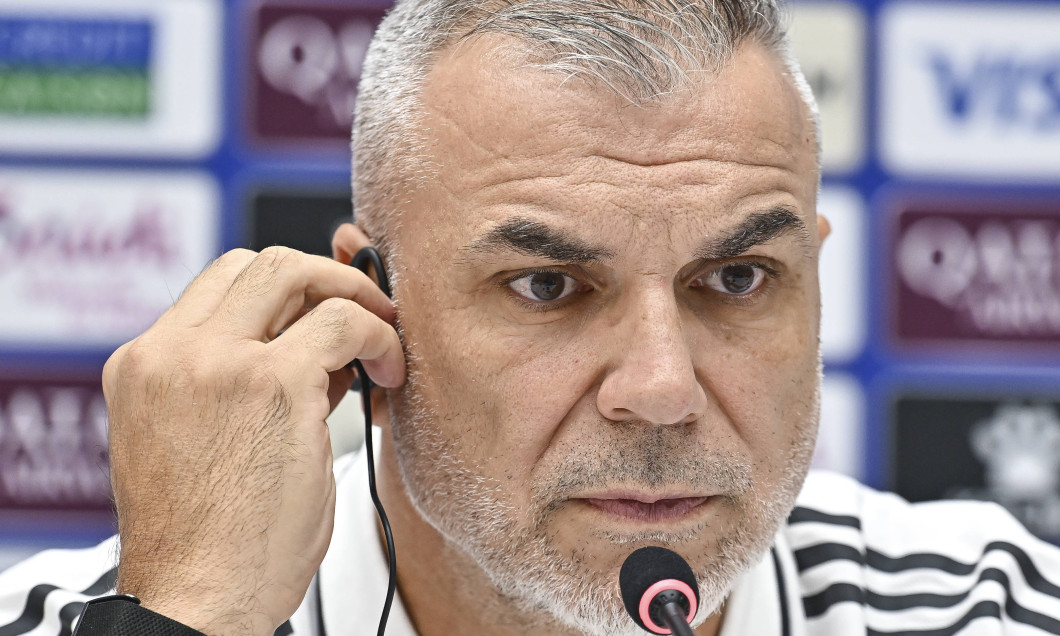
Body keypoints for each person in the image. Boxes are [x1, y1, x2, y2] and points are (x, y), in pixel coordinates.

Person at [3, 1, 1060, 635]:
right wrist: (182, 620)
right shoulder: (95, 621)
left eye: (738, 278)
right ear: (368, 312)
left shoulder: (995, 610)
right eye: (548, 286)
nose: (662, 391)